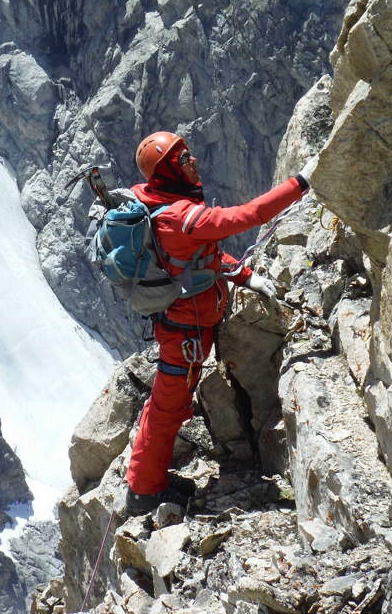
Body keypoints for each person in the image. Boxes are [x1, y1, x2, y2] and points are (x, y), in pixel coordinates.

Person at [125, 131, 318, 514]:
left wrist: (244, 276)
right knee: (167, 409)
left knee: (166, 405)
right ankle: (144, 491)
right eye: (183, 159)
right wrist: (301, 183)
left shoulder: (159, 202)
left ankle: (147, 480)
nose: (193, 161)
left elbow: (196, 259)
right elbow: (251, 215)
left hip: (182, 329)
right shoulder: (181, 217)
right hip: (187, 335)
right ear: (167, 173)